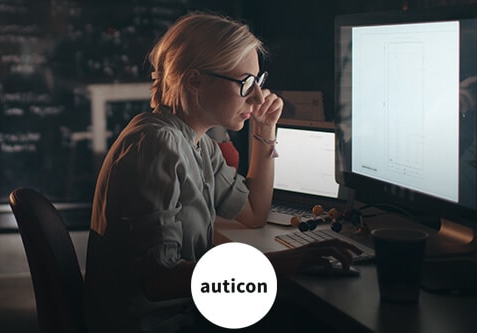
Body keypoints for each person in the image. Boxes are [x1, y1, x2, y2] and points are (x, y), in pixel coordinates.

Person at [84, 11, 361, 333]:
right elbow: (156, 281)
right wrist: (283, 263)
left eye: (259, 82)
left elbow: (255, 212)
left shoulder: (199, 143)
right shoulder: (158, 145)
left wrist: (265, 129)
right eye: (245, 83)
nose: (258, 97)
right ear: (194, 80)